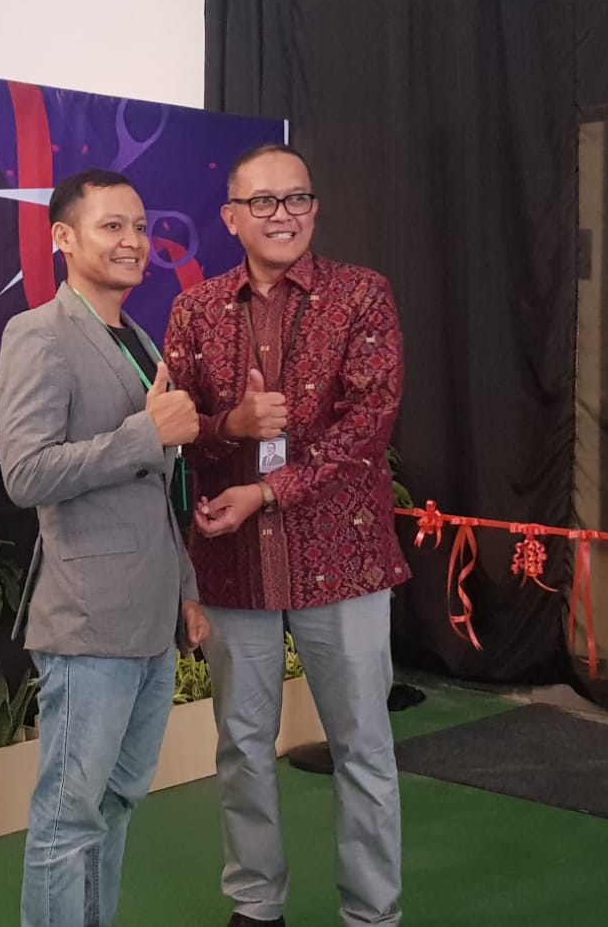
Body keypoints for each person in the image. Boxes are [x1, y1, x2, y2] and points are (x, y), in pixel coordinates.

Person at [164, 144, 410, 927]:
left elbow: (366, 430)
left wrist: (269, 490)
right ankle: (255, 904)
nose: (282, 215)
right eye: (263, 202)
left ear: (315, 209)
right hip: (233, 560)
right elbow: (175, 429)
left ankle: (372, 913)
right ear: (231, 218)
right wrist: (229, 426)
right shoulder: (196, 310)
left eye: (296, 198)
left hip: (342, 556)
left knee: (362, 745)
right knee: (242, 744)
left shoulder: (362, 296)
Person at [0, 167, 211, 926]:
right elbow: (26, 473)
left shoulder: (138, 338)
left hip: (150, 619)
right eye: (112, 225)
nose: (133, 241)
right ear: (63, 237)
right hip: (87, 623)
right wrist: (145, 433)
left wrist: (186, 588)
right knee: (69, 817)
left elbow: (157, 487)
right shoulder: (38, 334)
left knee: (115, 801)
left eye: (140, 227)